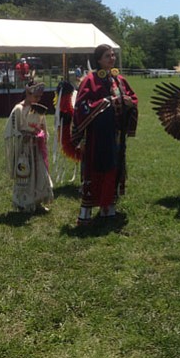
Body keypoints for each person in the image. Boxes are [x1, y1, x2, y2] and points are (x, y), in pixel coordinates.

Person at [72, 44, 138, 225]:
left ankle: (108, 208)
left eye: (113, 55)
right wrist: (105, 103)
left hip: (116, 135)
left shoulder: (118, 80)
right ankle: (86, 212)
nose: (112, 58)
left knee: (113, 169)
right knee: (95, 170)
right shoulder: (90, 80)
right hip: (96, 138)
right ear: (99, 59)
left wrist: (129, 102)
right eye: (108, 56)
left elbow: (133, 98)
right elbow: (81, 106)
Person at [4, 80, 54, 213]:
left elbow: (43, 127)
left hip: (36, 148)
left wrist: (40, 133)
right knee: (25, 174)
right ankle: (23, 202)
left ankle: (37, 202)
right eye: (35, 96)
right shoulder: (18, 109)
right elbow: (11, 129)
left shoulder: (38, 109)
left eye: (39, 97)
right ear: (27, 93)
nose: (38, 99)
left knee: (39, 173)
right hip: (24, 150)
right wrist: (23, 135)